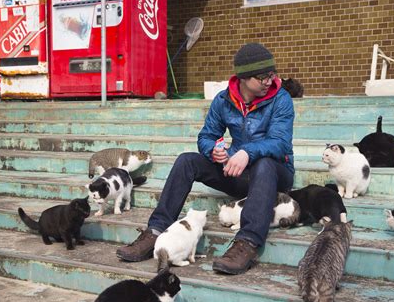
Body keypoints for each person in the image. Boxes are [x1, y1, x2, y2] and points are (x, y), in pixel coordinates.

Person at [116, 42, 295, 275]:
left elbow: (280, 142)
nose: (269, 81)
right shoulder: (223, 100)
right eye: (262, 77)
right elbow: (207, 136)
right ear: (243, 77)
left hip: (276, 174)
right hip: (239, 172)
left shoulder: (281, 99)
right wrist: (213, 150)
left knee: (264, 163)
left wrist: (246, 152)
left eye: (272, 74)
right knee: (186, 161)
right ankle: (156, 231)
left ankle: (247, 242)